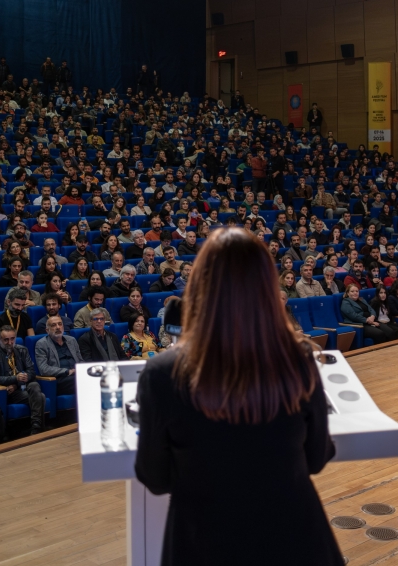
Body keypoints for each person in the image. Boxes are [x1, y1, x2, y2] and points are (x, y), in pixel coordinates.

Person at [135, 227, 342, 565]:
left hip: (203, 541)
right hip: (293, 540)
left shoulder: (162, 374)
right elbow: (317, 457)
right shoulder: (300, 359)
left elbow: (154, 477)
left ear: (200, 287)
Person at [0, 326, 46, 436]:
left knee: (34, 385)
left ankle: (36, 427)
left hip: (23, 386)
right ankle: (37, 428)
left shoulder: (22, 350)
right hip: (7, 392)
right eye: (6, 340)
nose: (10, 342)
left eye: (12, 339)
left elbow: (31, 372)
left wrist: (21, 380)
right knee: (40, 397)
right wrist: (15, 379)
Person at [34, 316, 81, 395]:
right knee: (81, 381)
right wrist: (67, 371)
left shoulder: (72, 340)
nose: (58, 327)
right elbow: (43, 369)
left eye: (60, 324)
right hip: (59, 379)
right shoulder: (42, 344)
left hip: (77, 375)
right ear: (47, 330)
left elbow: (80, 360)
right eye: (53, 325)